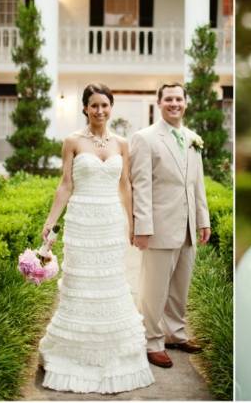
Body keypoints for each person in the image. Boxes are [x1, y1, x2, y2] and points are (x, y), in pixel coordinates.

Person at [38, 83, 154, 394]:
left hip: (109, 220)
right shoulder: (72, 141)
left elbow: (126, 185)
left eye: (105, 105)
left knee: (110, 282)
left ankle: (112, 349)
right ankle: (70, 350)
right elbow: (65, 184)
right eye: (94, 105)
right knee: (80, 284)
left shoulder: (121, 144)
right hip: (81, 221)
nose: (100, 110)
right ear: (85, 108)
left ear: (110, 108)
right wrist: (50, 221)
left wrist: (131, 223)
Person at [130, 83, 211, 369]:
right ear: (159, 102)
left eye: (178, 98)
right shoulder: (145, 138)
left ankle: (175, 334)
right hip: (159, 227)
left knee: (181, 285)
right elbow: (140, 185)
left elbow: (196, 183)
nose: (174, 103)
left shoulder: (192, 138)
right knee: (154, 288)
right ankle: (152, 340)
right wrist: (142, 226)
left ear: (185, 103)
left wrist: (203, 219)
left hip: (188, 225)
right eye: (168, 99)